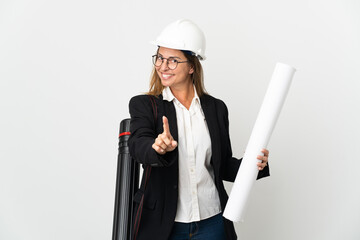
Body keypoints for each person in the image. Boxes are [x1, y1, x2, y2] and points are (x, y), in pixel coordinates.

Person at [128, 19, 270, 240]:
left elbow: (222, 165)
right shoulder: (145, 105)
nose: (163, 66)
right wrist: (157, 148)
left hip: (212, 222)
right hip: (165, 225)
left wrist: (255, 165)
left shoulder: (216, 108)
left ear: (192, 66)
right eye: (160, 58)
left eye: (173, 60)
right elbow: (138, 144)